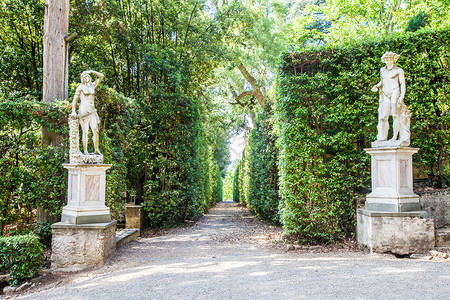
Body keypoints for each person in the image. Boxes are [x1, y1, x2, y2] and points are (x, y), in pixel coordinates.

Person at [371, 52, 406, 142]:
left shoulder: (399, 70)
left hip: (395, 91)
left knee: (395, 115)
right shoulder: (382, 70)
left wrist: (402, 96)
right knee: (383, 116)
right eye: (386, 59)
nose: (388, 61)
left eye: (389, 59)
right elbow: (383, 82)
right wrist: (376, 86)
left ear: (394, 60)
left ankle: (395, 137)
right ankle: (383, 137)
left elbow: (402, 84)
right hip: (385, 93)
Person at [71, 70, 104, 155]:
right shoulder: (81, 87)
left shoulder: (93, 85)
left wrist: (92, 71)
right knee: (85, 132)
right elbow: (75, 99)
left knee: (95, 130)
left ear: (89, 77)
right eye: (84, 77)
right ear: (82, 78)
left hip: (92, 112)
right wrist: (73, 111)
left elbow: (101, 76)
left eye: (87, 76)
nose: (86, 78)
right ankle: (85, 151)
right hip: (83, 112)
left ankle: (96, 149)